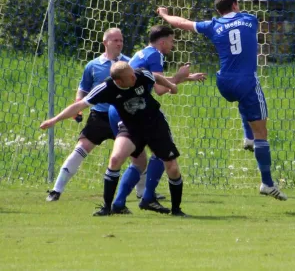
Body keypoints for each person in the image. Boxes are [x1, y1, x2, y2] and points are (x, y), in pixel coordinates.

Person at [156, 0, 287, 200]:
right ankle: (267, 183)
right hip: (246, 80)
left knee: (243, 101)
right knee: (262, 132)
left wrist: (164, 15)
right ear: (235, 5)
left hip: (224, 82)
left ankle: (247, 138)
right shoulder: (250, 19)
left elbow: (181, 23)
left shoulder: (213, 25)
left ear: (218, 11)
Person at [41, 62, 187, 216]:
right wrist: (54, 120)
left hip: (155, 125)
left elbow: (156, 76)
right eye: (130, 77)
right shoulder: (107, 88)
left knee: (172, 167)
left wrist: (171, 85)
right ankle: (106, 208)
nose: (134, 77)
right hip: (131, 128)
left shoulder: (140, 74)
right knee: (115, 159)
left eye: (133, 74)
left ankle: (176, 210)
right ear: (119, 82)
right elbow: (80, 105)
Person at [110, 25, 206, 214]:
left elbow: (152, 79)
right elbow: (161, 89)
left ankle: (119, 203)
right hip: (138, 110)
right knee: (163, 153)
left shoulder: (142, 53)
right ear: (162, 42)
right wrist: (178, 78)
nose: (172, 45)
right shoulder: (156, 55)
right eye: (171, 41)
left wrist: (185, 78)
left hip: (119, 110)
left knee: (138, 161)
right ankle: (148, 198)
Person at [45, 28, 139, 201]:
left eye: (121, 40)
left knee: (137, 154)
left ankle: (143, 194)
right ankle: (56, 190)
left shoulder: (129, 63)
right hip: (99, 116)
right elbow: (83, 90)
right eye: (115, 40)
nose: (119, 43)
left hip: (123, 117)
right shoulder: (93, 65)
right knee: (80, 149)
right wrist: (77, 108)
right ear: (105, 43)